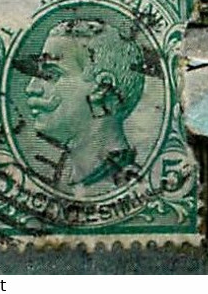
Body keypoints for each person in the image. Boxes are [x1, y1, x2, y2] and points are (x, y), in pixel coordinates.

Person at [20, 14, 149, 192]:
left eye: (51, 75)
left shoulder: (120, 187)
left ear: (102, 88)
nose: (31, 88)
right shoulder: (71, 179)